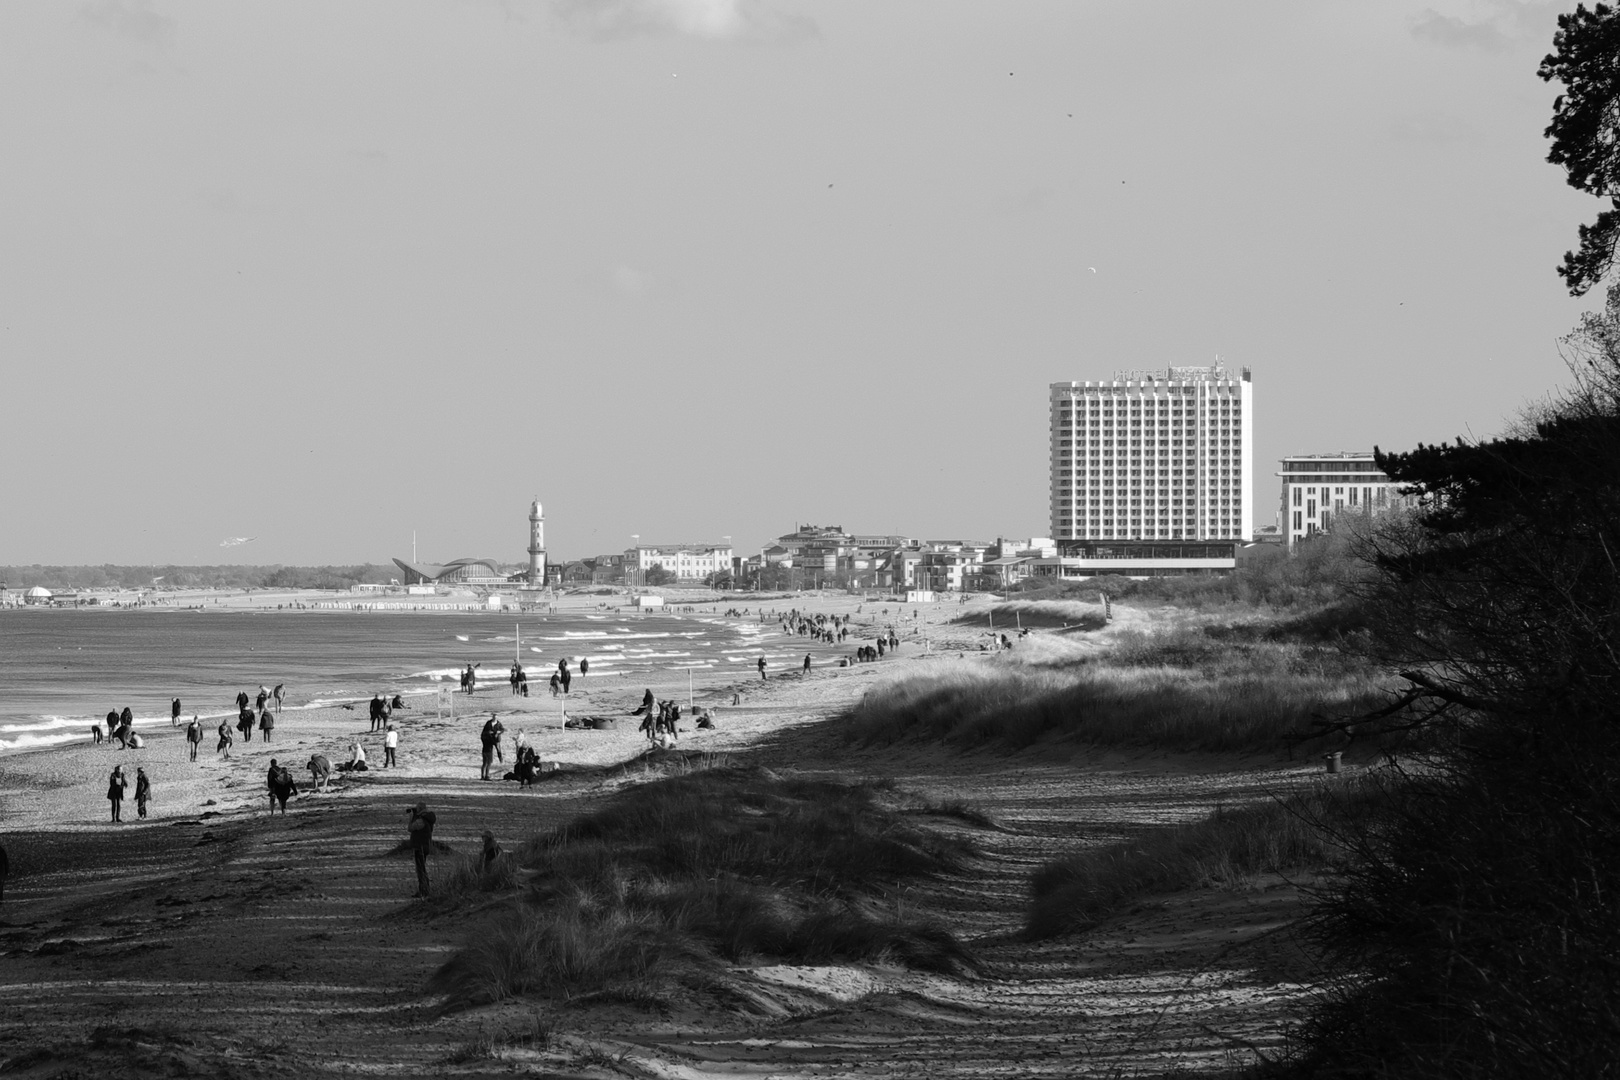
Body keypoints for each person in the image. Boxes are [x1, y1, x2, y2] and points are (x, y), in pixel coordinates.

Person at [407, 802, 436, 897]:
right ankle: (424, 889)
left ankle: (424, 890)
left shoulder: (421, 820)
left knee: (420, 870)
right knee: (421, 868)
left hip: (420, 848)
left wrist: (411, 818)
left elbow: (410, 828)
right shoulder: (427, 818)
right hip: (425, 846)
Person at [479, 714, 504, 781]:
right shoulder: (488, 723)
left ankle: (500, 758)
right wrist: (490, 734)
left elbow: (502, 729)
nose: (494, 718)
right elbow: (484, 732)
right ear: (492, 717)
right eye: (494, 717)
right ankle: (486, 776)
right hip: (490, 743)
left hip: (494, 739)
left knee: (498, 749)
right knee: (488, 762)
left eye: (496, 717)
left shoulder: (498, 723)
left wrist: (498, 733)